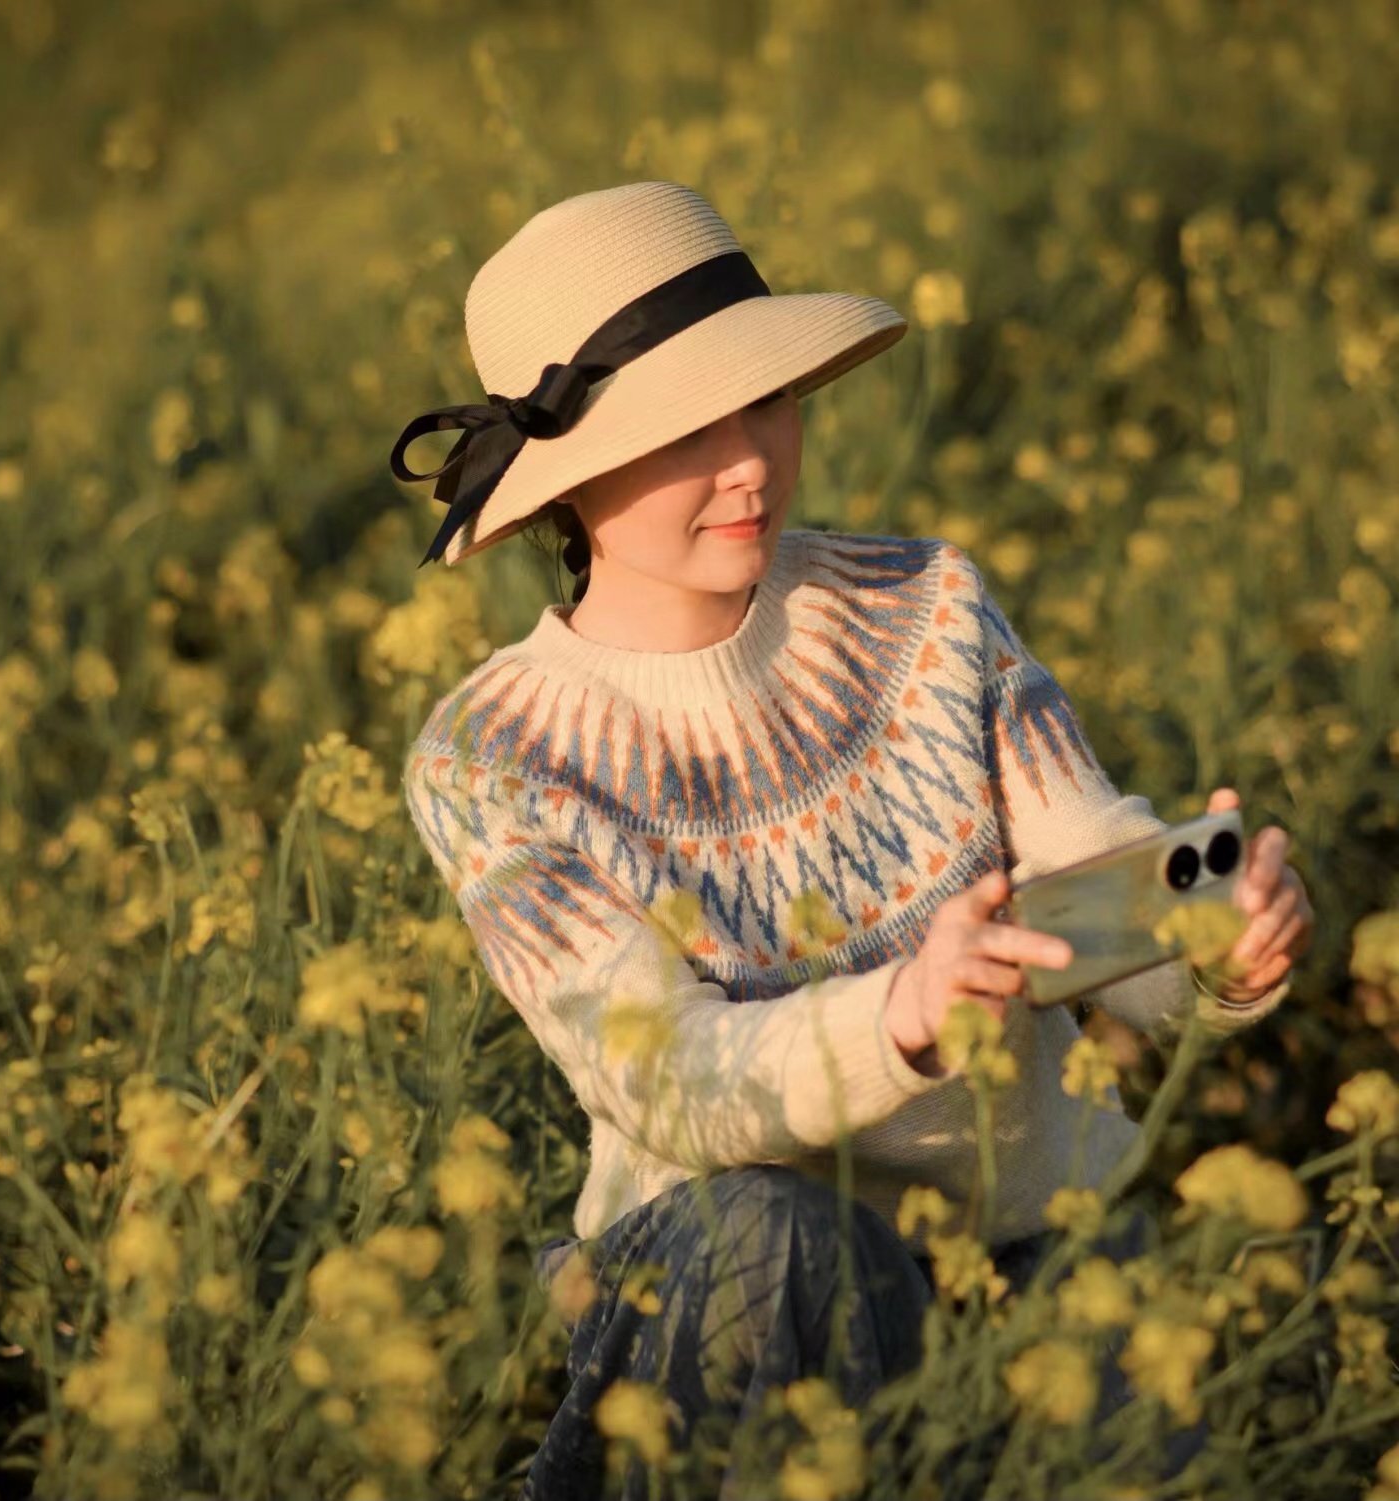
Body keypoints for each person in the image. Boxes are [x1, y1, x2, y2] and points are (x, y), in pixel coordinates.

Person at [387, 182, 1315, 1500]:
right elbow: (673, 1079)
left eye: (767, 400)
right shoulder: (494, 758)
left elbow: (1076, 870)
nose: (752, 461)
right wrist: (904, 1017)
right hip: (739, 1287)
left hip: (1018, 1255)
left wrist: (1202, 935)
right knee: (773, 1230)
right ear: (571, 479)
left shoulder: (925, 605)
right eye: (687, 432)